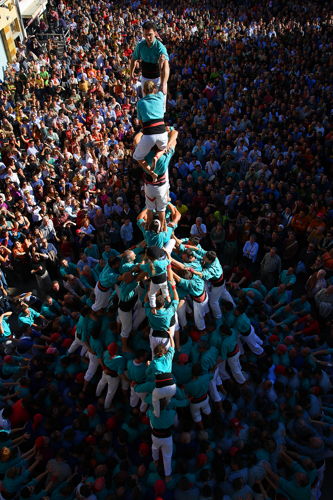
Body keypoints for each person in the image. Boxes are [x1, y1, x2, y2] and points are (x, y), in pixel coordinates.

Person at [130, 21, 170, 96]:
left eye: (150, 34)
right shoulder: (140, 46)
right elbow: (133, 59)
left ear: (155, 33)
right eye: (146, 35)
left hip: (158, 79)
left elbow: (166, 66)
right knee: (146, 102)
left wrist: (163, 84)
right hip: (145, 78)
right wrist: (131, 74)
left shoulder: (160, 47)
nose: (148, 37)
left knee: (160, 104)